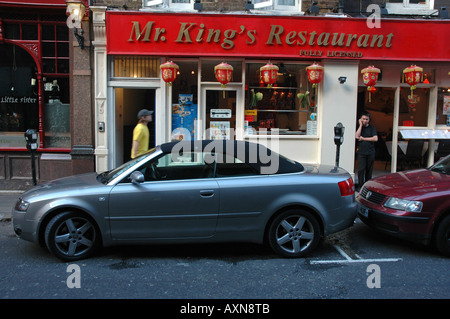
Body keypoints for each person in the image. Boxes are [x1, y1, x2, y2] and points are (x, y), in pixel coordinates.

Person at [355, 111, 378, 190]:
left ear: (369, 120)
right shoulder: (359, 128)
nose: (365, 121)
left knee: (369, 169)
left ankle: (367, 186)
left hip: (370, 151)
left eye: (366, 119)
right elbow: (357, 136)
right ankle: (360, 185)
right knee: (361, 169)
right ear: (360, 119)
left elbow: (375, 138)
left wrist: (363, 138)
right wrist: (360, 125)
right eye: (363, 119)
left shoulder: (372, 128)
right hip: (361, 151)